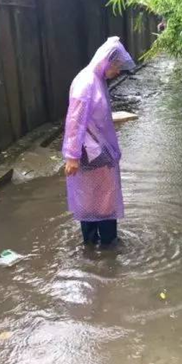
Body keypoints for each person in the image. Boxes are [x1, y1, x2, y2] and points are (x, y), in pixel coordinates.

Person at [62, 37, 135, 249]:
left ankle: (98, 247)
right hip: (89, 153)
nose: (118, 71)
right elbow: (75, 121)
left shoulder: (96, 81)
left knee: (100, 198)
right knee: (97, 200)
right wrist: (72, 156)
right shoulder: (86, 83)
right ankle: (103, 248)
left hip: (98, 151)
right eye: (117, 66)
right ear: (106, 61)